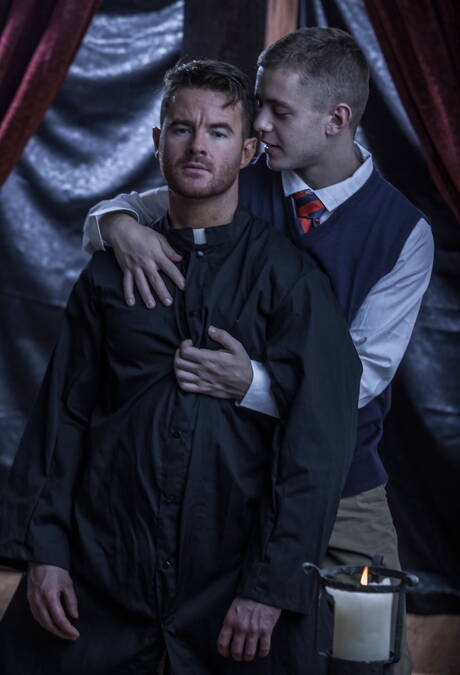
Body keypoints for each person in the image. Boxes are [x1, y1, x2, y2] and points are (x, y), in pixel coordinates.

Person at [83, 28, 434, 674]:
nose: (259, 124)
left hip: (344, 487)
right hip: (226, 477)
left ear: (336, 120)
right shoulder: (242, 176)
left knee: (372, 658)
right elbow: (129, 207)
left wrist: (248, 382)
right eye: (258, 105)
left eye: (277, 111)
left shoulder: (405, 234)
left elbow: (362, 377)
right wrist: (117, 226)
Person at [0, 60, 361, 674]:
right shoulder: (108, 275)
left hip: (232, 583)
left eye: (218, 132)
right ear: (156, 140)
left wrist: (271, 586)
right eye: (181, 128)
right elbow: (61, 420)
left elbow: (317, 443)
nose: (197, 146)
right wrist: (46, 552)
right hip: (104, 571)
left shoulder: (290, 281)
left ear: (248, 151)